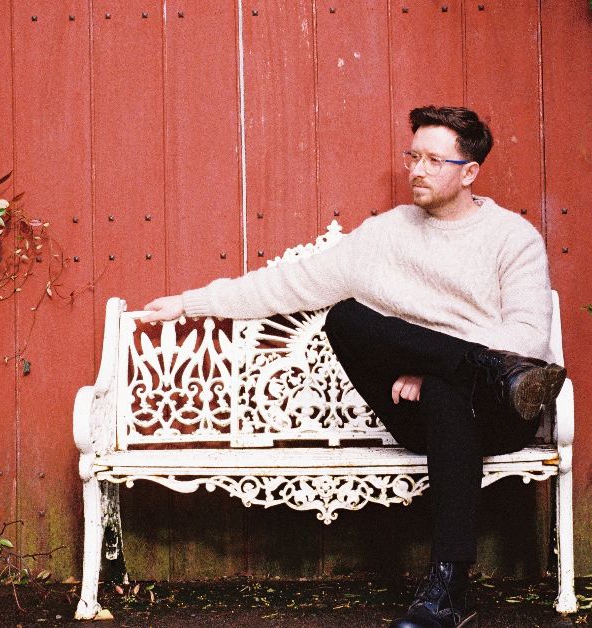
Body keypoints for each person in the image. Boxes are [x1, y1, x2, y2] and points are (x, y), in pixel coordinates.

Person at [140, 105, 566, 628]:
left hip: (500, 406)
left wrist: (433, 370)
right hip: (420, 412)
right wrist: (190, 303)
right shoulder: (385, 236)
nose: (417, 170)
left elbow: (527, 338)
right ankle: (467, 370)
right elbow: (291, 284)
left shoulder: (512, 238)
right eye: (413, 157)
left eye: (434, 161)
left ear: (469, 172)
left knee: (446, 391)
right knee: (345, 318)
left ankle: (447, 588)